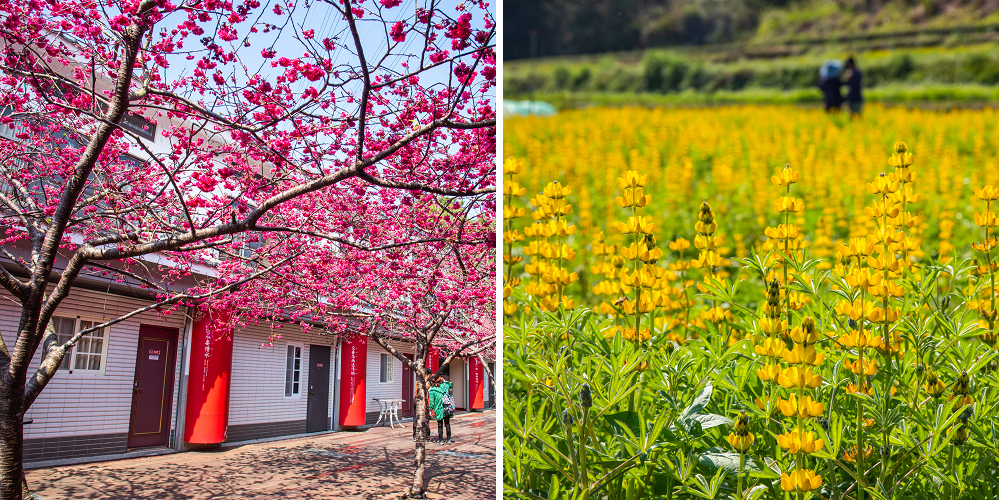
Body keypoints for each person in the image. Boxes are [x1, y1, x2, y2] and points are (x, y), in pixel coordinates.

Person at [428, 376, 454, 444]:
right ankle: (448, 439)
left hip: (438, 409)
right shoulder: (445, 386)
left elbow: (431, 402)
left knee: (440, 424)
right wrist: (444, 380)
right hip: (446, 408)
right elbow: (450, 385)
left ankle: (441, 439)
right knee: (447, 423)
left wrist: (430, 410)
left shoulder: (433, 390)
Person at [412, 375, 432, 442]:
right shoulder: (426, 382)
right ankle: (426, 437)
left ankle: (415, 435)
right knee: (425, 419)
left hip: (416, 399)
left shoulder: (417, 381)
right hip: (422, 400)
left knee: (416, 418)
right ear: (427, 375)